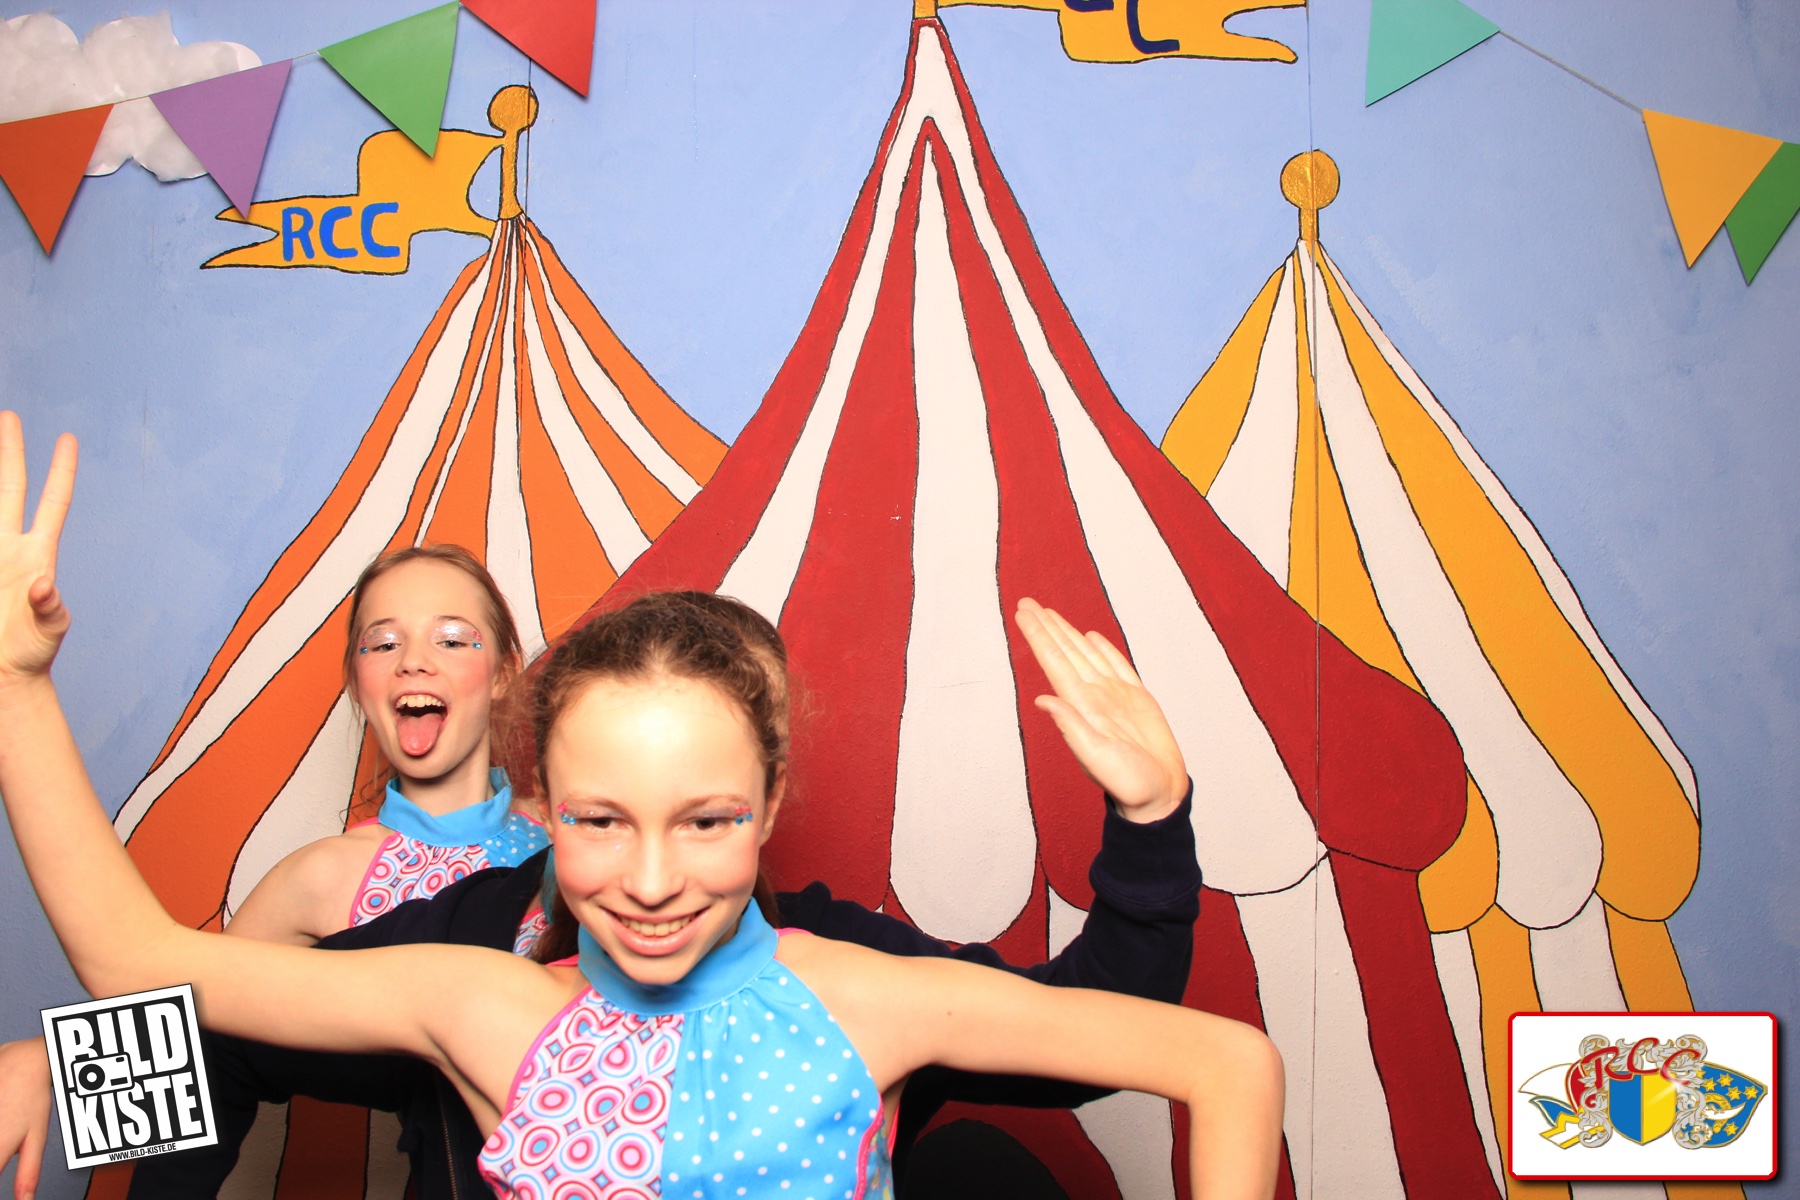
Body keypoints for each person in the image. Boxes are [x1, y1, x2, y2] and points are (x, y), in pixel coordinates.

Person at [0, 418, 1283, 1198]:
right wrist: (59, 1062)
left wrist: (1154, 817)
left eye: (707, 815)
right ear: (551, 786)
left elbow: (1170, 1042)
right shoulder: (436, 940)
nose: (654, 877)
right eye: (603, 819)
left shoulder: (855, 977)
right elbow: (188, 1001)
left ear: (769, 795)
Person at [0, 538, 548, 1198]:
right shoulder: (317, 877)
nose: (413, 660)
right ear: (357, 681)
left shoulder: (575, 843)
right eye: (382, 643)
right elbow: (194, 1030)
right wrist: (53, 1065)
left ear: (503, 671)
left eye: (452, 638)